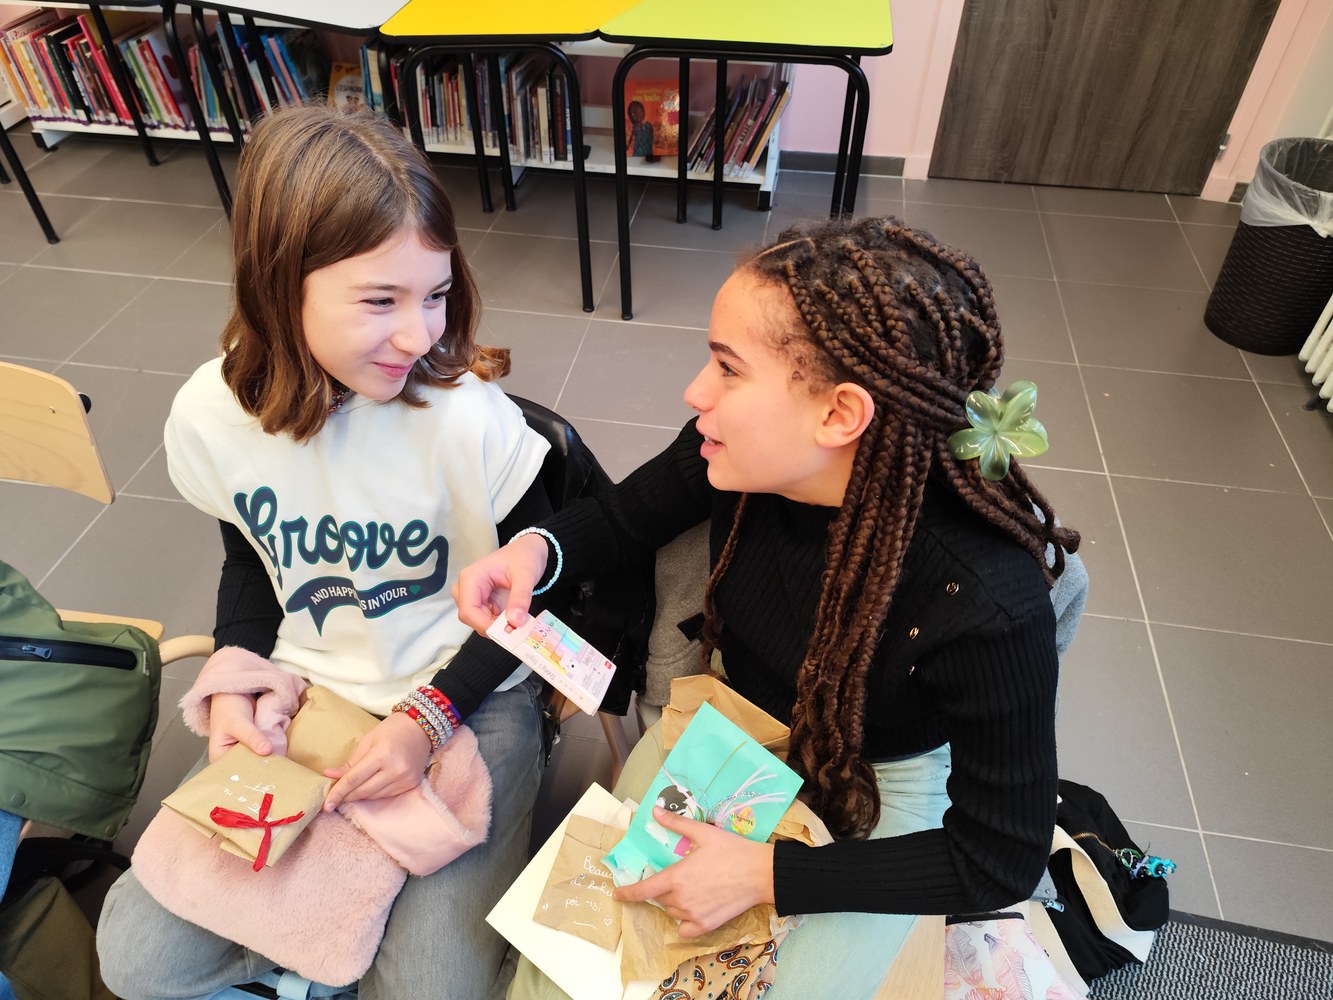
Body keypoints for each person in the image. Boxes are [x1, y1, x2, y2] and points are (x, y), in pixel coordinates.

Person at [454, 216, 1082, 1000]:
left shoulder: (984, 601)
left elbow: (997, 856)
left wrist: (766, 874)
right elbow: (623, 517)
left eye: (727, 368)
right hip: (732, 727)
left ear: (838, 415)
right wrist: (536, 550)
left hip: (881, 780)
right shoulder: (731, 455)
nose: (695, 392)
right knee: (571, 970)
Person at [96, 104, 555, 1000]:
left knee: (429, 990)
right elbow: (250, 561)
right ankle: (319, 953)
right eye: (380, 301)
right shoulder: (208, 415)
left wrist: (427, 720)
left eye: (434, 294)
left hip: (472, 693)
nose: (421, 335)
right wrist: (238, 672)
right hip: (311, 689)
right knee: (135, 961)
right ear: (279, 285)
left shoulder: (468, 417)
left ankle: (320, 949)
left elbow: (538, 605)